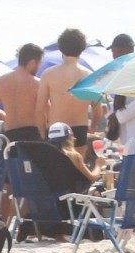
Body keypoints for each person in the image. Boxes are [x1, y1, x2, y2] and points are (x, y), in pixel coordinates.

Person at [37, 30, 97, 158]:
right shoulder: (89, 75)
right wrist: (92, 128)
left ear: (60, 48)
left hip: (56, 129)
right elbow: (98, 109)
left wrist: (42, 133)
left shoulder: (48, 74)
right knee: (77, 167)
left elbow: (39, 109)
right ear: (82, 49)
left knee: (56, 168)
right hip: (80, 128)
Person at [0, 44, 43, 142]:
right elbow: (46, 110)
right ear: (33, 62)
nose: (39, 67)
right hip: (33, 135)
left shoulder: (0, 81)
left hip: (10, 135)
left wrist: (7, 117)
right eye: (39, 63)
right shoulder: (37, 83)